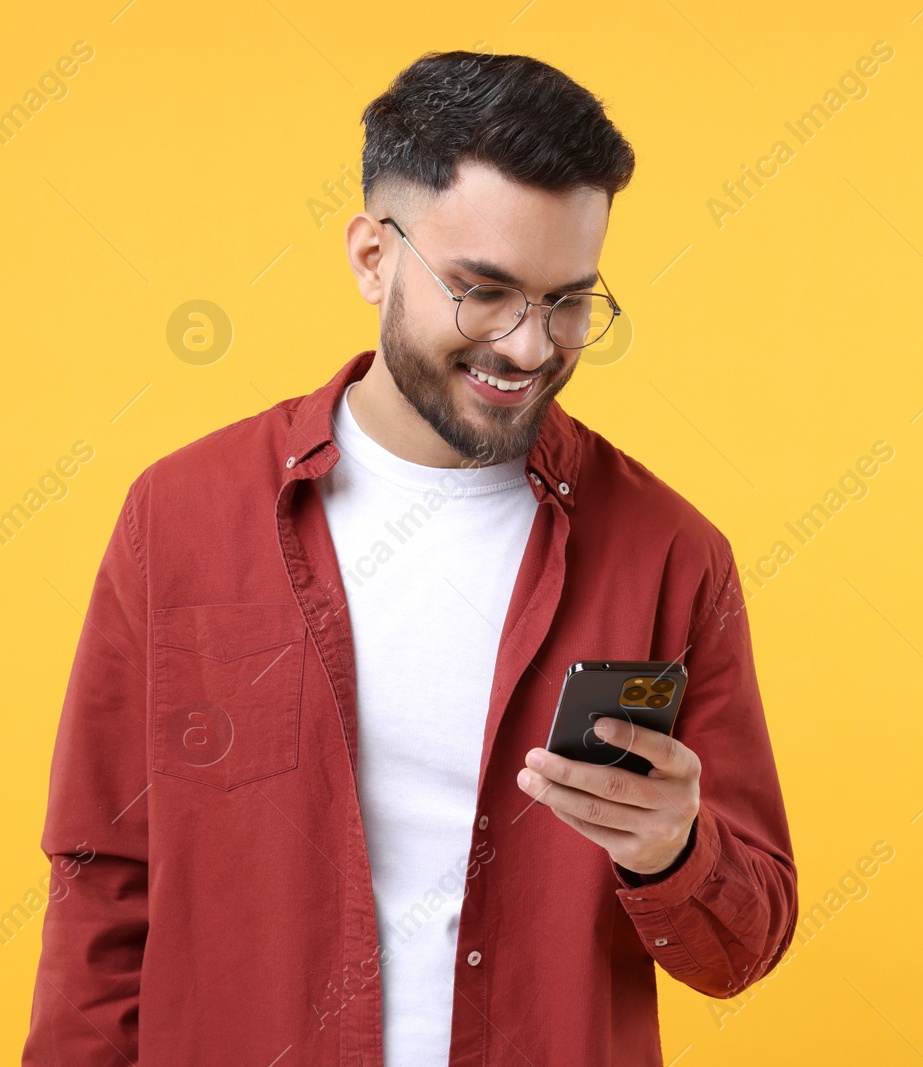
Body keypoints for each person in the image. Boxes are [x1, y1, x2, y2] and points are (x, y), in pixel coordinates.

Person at [24, 50, 797, 1066]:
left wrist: (673, 852)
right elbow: (104, 878)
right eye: (484, 291)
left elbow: (743, 943)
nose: (528, 346)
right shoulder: (182, 517)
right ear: (370, 257)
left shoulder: (670, 554)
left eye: (568, 301)